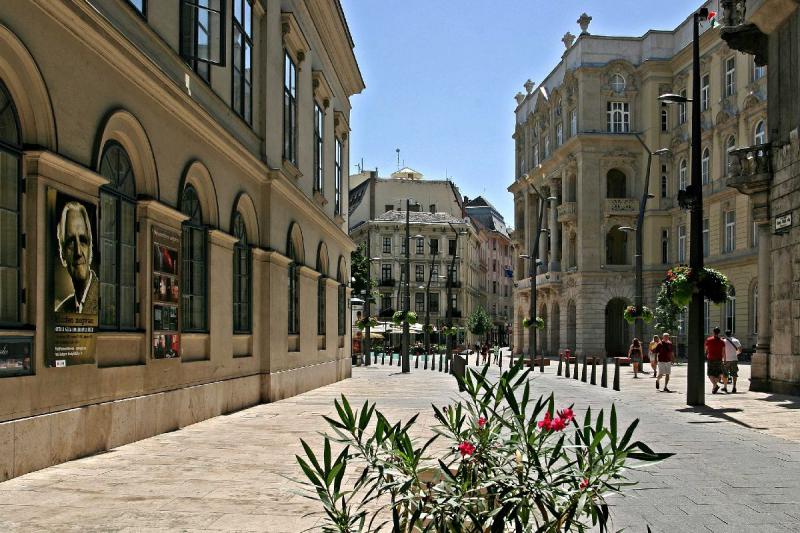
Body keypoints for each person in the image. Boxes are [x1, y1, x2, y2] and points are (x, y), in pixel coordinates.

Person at [55, 202, 98, 314]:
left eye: (83, 240)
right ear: (63, 254)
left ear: (90, 249)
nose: (78, 252)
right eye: (71, 242)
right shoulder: (61, 311)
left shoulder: (106, 300)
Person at [704, 326, 726, 394]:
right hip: (719, 359)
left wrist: (706, 354)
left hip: (711, 359)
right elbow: (723, 352)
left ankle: (715, 385)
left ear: (713, 332)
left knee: (710, 374)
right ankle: (714, 387)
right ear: (719, 332)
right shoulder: (722, 341)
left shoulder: (709, 340)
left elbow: (706, 349)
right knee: (717, 374)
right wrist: (724, 360)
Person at [722, 329, 741, 393]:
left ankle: (725, 387)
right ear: (731, 333)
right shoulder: (736, 340)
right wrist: (735, 354)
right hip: (734, 359)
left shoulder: (723, 341)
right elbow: (740, 350)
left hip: (726, 360)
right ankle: (734, 387)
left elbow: (722, 351)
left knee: (725, 374)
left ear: (725, 334)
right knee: (734, 374)